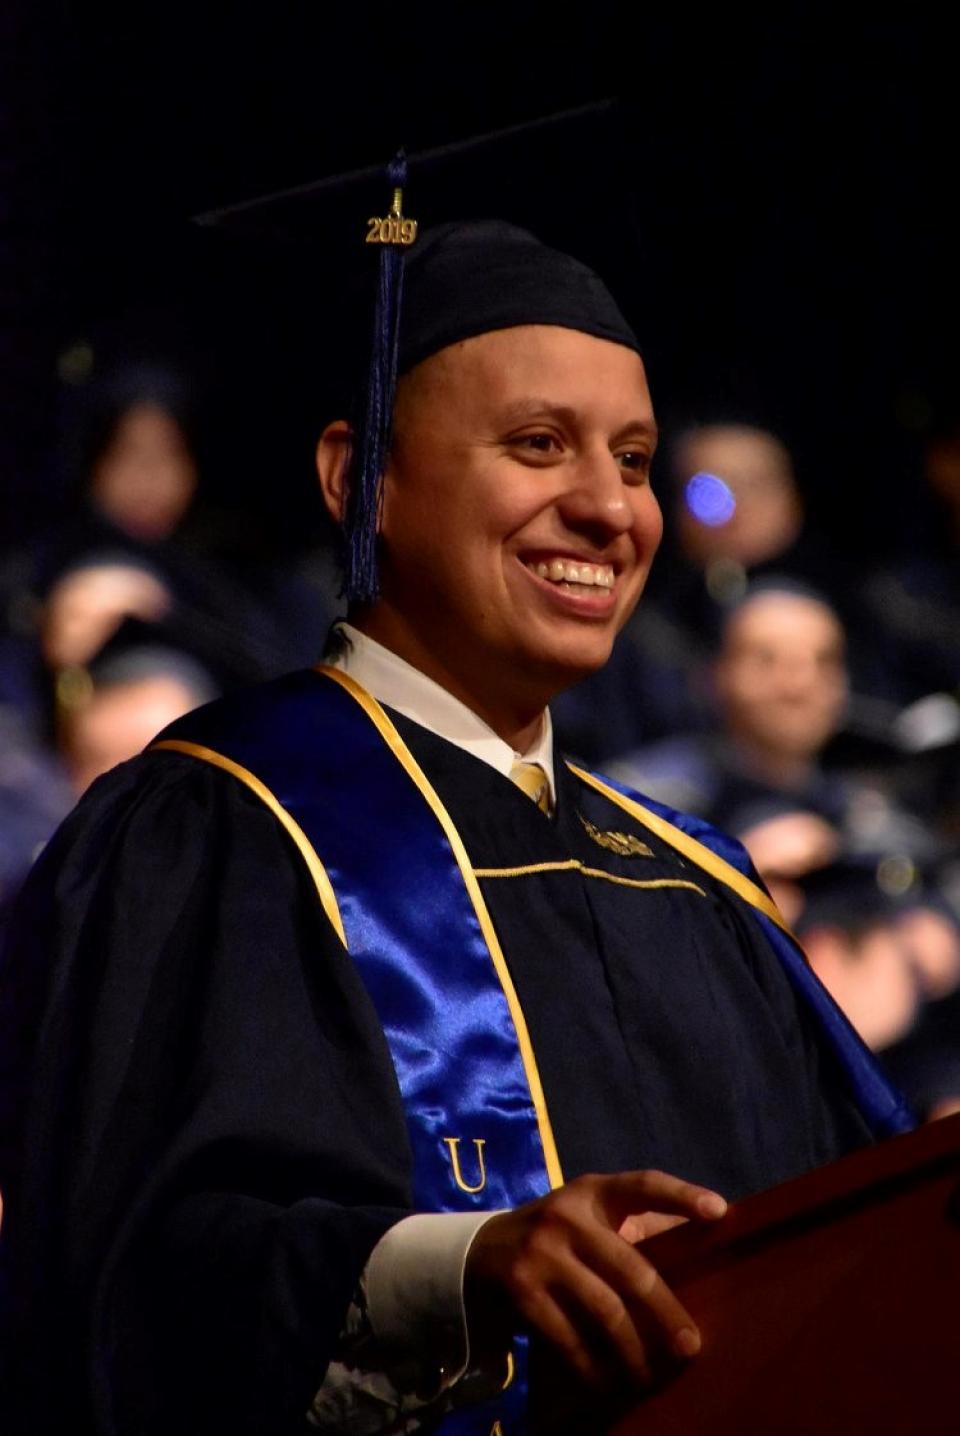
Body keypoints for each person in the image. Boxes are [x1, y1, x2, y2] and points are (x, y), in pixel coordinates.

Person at [0, 197, 912, 1436]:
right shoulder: (221, 824)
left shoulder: (701, 885)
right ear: (357, 475)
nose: (610, 508)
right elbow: (123, 1289)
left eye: (637, 460)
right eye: (540, 443)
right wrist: (464, 1269)